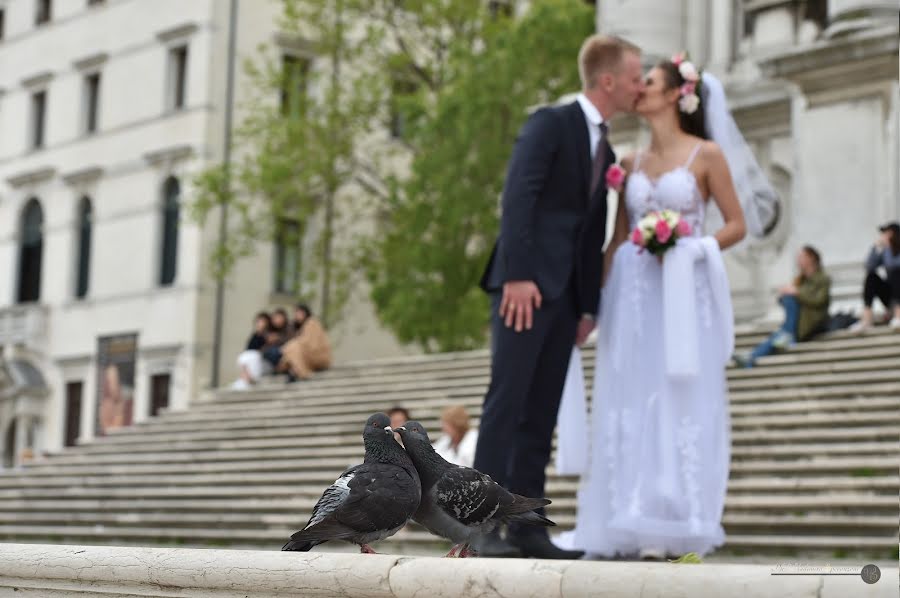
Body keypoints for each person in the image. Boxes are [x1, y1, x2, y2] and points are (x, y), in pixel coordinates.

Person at [558, 54, 748, 560]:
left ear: (675, 96)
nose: (639, 88)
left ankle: (679, 517)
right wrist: (588, 306)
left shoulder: (706, 155)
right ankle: (629, 516)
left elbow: (735, 224)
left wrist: (689, 243)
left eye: (651, 82)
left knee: (681, 396)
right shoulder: (630, 163)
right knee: (628, 396)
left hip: (684, 292)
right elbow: (618, 238)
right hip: (633, 294)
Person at [473, 34, 645, 560]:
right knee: (507, 404)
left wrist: (587, 304)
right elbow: (518, 196)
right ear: (609, 80)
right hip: (523, 289)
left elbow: (590, 231)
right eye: (636, 77)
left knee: (540, 414)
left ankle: (527, 527)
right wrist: (520, 274)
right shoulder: (550, 122)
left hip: (566, 299)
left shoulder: (606, 148)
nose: (641, 86)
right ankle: (476, 528)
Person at [734, 246, 830, 368]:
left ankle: (753, 355)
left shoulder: (822, 278)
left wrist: (796, 292)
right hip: (797, 322)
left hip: (812, 322)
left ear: (811, 258)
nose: (798, 260)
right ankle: (752, 356)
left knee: (780, 334)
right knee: (779, 333)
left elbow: (819, 300)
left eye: (801, 257)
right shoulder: (800, 280)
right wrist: (784, 294)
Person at [851, 221, 900, 331]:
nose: (882, 236)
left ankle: (898, 315)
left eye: (886, 233)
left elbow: (896, 266)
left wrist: (890, 249)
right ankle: (867, 318)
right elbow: (869, 266)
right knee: (871, 277)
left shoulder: (890, 252)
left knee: (896, 274)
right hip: (892, 296)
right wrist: (875, 248)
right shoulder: (885, 251)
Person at [279, 304, 332, 380]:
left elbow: (310, 342)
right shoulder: (300, 327)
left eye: (299, 313)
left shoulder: (312, 323)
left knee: (292, 346)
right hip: (309, 356)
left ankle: (299, 372)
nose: (297, 315)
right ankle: (294, 370)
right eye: (296, 313)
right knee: (292, 347)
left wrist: (286, 347)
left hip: (318, 355)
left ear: (305, 313)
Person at [231, 312, 274, 390]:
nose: (260, 324)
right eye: (258, 321)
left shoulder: (268, 335)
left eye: (262, 321)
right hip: (249, 359)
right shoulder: (255, 335)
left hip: (260, 360)